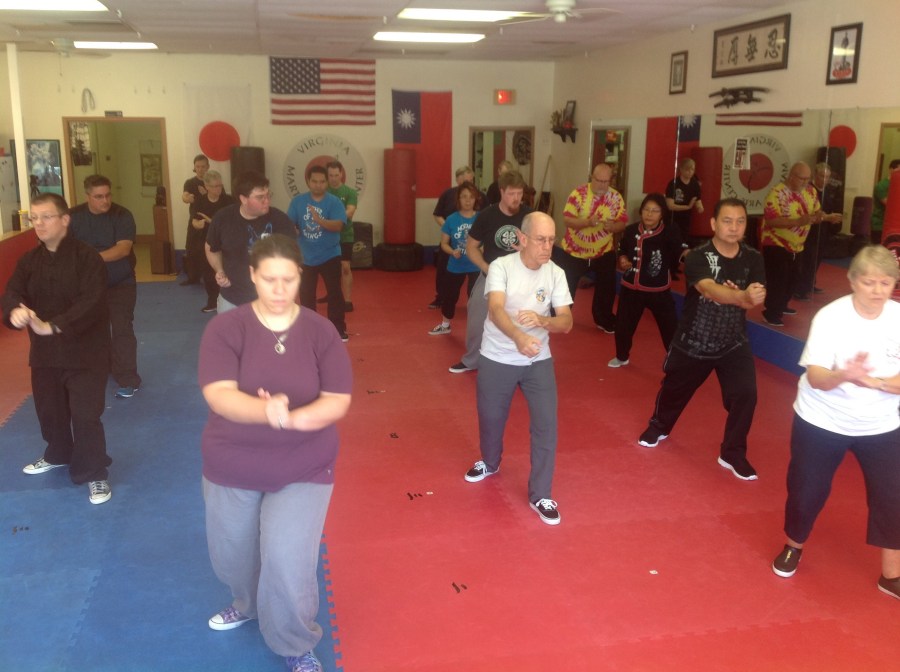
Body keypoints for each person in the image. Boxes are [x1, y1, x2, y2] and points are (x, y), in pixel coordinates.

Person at [198, 234, 352, 672]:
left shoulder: (320, 331)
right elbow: (219, 395)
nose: (280, 290)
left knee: (286, 560)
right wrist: (266, 410)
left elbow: (337, 399)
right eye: (269, 280)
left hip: (304, 463)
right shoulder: (226, 328)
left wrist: (292, 419)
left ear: (300, 276)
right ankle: (247, 604)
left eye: (289, 279)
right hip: (232, 460)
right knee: (234, 556)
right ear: (252, 276)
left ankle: (295, 642)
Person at [771, 245, 900, 603]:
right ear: (853, 281)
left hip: (881, 423)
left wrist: (875, 383)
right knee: (807, 490)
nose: (877, 290)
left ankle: (892, 575)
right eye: (870, 282)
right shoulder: (831, 317)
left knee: (893, 495)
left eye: (886, 283)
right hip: (822, 418)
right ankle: (793, 545)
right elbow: (816, 377)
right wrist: (844, 375)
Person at [637, 198, 766, 481]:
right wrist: (739, 295)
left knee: (746, 394)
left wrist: (749, 297)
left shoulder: (753, 258)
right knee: (674, 390)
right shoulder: (698, 256)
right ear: (713, 224)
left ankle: (732, 452)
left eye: (740, 221)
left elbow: (754, 298)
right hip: (694, 339)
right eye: (727, 221)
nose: (734, 227)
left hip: (733, 341)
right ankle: (659, 426)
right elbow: (708, 289)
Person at [462, 212, 573, 525]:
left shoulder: (556, 273)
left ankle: (541, 494)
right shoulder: (501, 267)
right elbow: (496, 309)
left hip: (538, 359)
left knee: (546, 425)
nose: (547, 246)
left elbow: (566, 322)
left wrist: (543, 321)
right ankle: (490, 462)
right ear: (522, 239)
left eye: (551, 240)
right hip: (497, 355)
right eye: (540, 240)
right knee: (491, 418)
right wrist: (518, 336)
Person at [2, 193, 113, 505]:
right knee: (50, 411)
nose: (39, 224)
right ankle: (58, 453)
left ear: (65, 219)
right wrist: (15, 310)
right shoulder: (29, 261)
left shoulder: (88, 258)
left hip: (86, 352)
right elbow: (12, 292)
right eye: (34, 218)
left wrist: (53, 325)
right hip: (46, 353)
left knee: (85, 415)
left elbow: (92, 303)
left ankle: (94, 472)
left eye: (46, 217)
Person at [449, 170, 530, 374]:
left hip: (522, 277)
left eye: (519, 193)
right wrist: (487, 268)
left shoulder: (529, 216)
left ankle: (524, 361)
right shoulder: (487, 215)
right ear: (501, 192)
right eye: (511, 194)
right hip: (491, 277)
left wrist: (528, 251)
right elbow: (471, 247)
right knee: (477, 317)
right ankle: (472, 360)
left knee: (524, 321)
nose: (516, 198)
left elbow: (540, 244)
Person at [69, 174, 142, 399]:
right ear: (87, 196)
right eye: (99, 197)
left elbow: (123, 249)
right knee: (88, 329)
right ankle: (92, 370)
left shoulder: (122, 215)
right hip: (87, 286)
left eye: (108, 195)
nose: (105, 201)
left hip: (120, 282)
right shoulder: (73, 217)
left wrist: (90, 258)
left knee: (121, 328)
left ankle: (128, 378)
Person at [205, 171, 297, 313]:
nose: (267, 201)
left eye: (268, 195)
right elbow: (211, 247)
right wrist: (219, 270)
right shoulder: (223, 218)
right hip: (232, 298)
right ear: (243, 199)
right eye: (260, 197)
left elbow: (292, 257)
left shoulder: (280, 220)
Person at [554, 163, 629, 333]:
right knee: (565, 287)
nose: (602, 185)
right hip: (574, 251)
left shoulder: (616, 197)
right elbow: (567, 220)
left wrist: (613, 227)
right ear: (591, 178)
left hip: (603, 251)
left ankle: (604, 319)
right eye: (599, 180)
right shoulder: (578, 193)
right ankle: (558, 316)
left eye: (606, 181)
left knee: (606, 289)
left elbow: (622, 223)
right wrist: (587, 222)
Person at [610, 193, 682, 368]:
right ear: (641, 211)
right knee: (623, 326)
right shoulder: (631, 230)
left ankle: (676, 362)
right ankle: (622, 356)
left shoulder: (669, 233)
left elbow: (677, 255)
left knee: (670, 328)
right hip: (631, 287)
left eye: (655, 211)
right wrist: (623, 259)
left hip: (658, 289)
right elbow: (622, 249)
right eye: (646, 210)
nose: (649, 214)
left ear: (662, 214)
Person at [287, 165, 348, 342]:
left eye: (322, 182)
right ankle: (309, 330)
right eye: (314, 181)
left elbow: (338, 225)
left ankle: (338, 328)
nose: (318, 185)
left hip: (330, 254)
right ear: (308, 181)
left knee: (335, 292)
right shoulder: (298, 201)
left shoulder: (334, 202)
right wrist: (293, 230)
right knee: (306, 294)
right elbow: (289, 223)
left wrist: (319, 220)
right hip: (305, 256)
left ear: (327, 183)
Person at [760, 162, 822, 327]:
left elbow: (817, 212)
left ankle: (782, 305)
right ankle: (771, 312)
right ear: (792, 176)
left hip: (798, 244)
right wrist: (798, 221)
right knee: (778, 279)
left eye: (808, 178)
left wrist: (821, 217)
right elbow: (771, 220)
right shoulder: (776, 193)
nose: (805, 182)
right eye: (802, 178)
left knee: (794, 278)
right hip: (775, 242)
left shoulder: (811, 191)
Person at [429, 182, 481, 336]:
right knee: (449, 296)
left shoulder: (480, 218)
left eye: (471, 197)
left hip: (475, 265)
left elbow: (486, 240)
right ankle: (445, 325)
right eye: (464, 197)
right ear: (458, 199)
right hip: (456, 264)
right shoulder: (451, 219)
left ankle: (477, 328)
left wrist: (481, 250)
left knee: (475, 298)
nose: (468, 200)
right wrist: (452, 251)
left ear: (475, 199)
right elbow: (444, 244)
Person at [795, 162, 844, 300]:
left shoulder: (827, 192)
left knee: (817, 259)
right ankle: (800, 289)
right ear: (815, 175)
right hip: (810, 231)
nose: (824, 179)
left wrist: (832, 219)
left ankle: (810, 284)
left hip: (823, 230)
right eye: (822, 176)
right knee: (808, 260)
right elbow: (811, 212)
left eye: (827, 177)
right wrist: (828, 217)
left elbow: (827, 210)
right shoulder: (809, 191)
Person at [191, 170, 234, 313]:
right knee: (208, 273)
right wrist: (198, 224)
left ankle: (229, 299)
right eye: (215, 186)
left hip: (226, 241)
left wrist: (212, 221)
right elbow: (194, 220)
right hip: (207, 242)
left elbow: (233, 222)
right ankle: (212, 301)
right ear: (207, 186)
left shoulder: (229, 201)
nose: (218, 189)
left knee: (227, 271)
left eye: (220, 185)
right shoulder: (200, 201)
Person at [326, 160, 358, 313]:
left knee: (345, 267)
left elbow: (350, 212)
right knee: (328, 268)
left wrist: (330, 219)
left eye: (336, 175)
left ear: (341, 174)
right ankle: (331, 295)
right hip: (326, 235)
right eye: (330, 175)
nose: (333, 178)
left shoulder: (350, 192)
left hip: (345, 235)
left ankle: (347, 300)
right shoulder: (323, 192)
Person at [181, 154, 210, 285]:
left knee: (209, 249)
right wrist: (187, 198)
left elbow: (220, 199)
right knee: (192, 249)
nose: (200, 169)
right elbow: (185, 196)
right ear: (194, 167)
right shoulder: (190, 183)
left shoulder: (213, 182)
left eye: (203, 166)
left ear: (208, 167)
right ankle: (193, 278)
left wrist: (206, 194)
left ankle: (210, 277)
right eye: (197, 166)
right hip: (194, 220)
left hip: (210, 220)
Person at [871, 159, 900, 245]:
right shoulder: (881, 186)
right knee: (880, 250)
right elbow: (890, 205)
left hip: (893, 227)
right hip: (880, 225)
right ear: (891, 169)